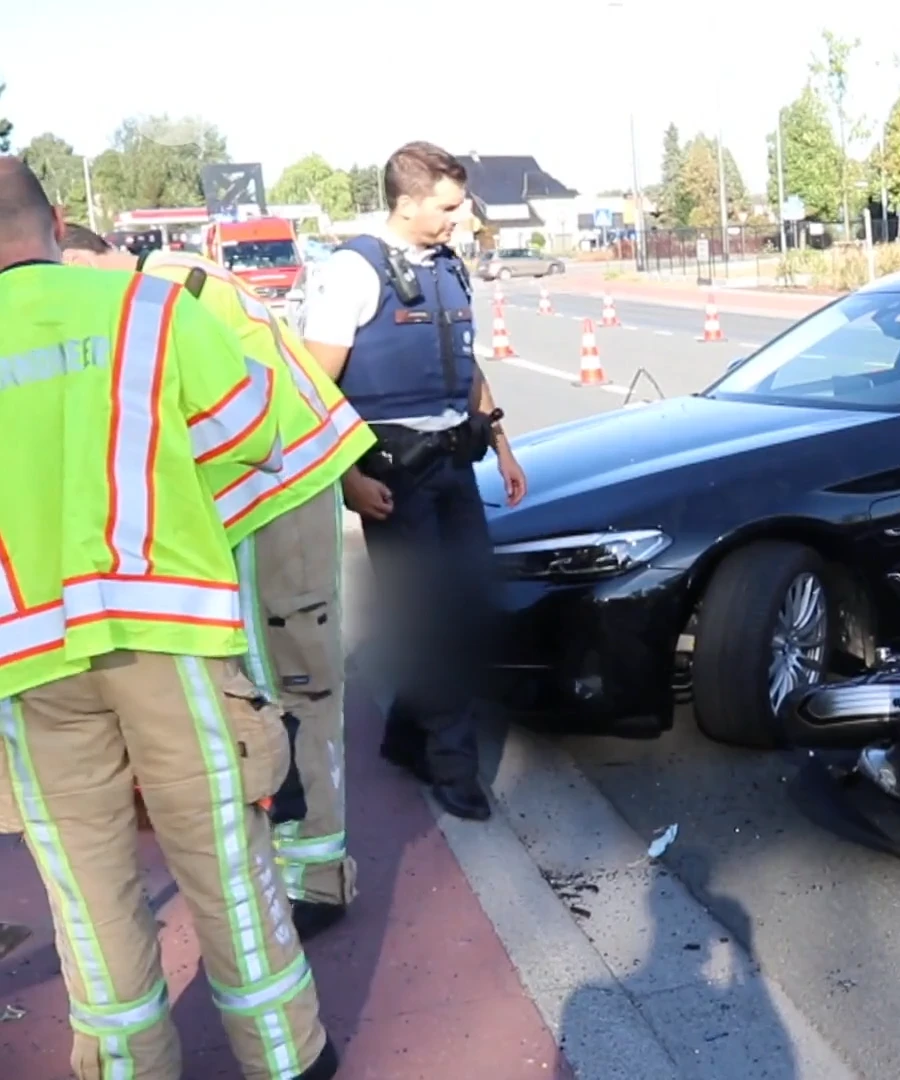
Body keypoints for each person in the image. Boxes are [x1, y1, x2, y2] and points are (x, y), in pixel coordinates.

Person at [0, 158, 337, 1079]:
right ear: (58, 221)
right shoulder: (146, 311)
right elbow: (250, 435)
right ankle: (284, 1056)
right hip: (169, 633)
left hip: (24, 660)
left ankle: (125, 1066)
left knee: (87, 888)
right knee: (224, 855)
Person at [62, 224, 376, 942]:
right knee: (284, 685)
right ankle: (305, 859)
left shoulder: (167, 292)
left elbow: (224, 426)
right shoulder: (168, 282)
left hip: (276, 498)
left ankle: (318, 876)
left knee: (299, 688)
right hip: (267, 501)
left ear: (76, 258)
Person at [295, 141, 526, 822]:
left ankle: (404, 734)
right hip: (393, 478)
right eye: (450, 206)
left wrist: (504, 446)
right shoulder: (353, 272)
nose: (462, 217)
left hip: (455, 466)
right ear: (409, 200)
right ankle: (456, 773)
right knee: (430, 626)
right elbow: (311, 389)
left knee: (474, 607)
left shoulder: (449, 268)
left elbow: (465, 367)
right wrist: (347, 482)